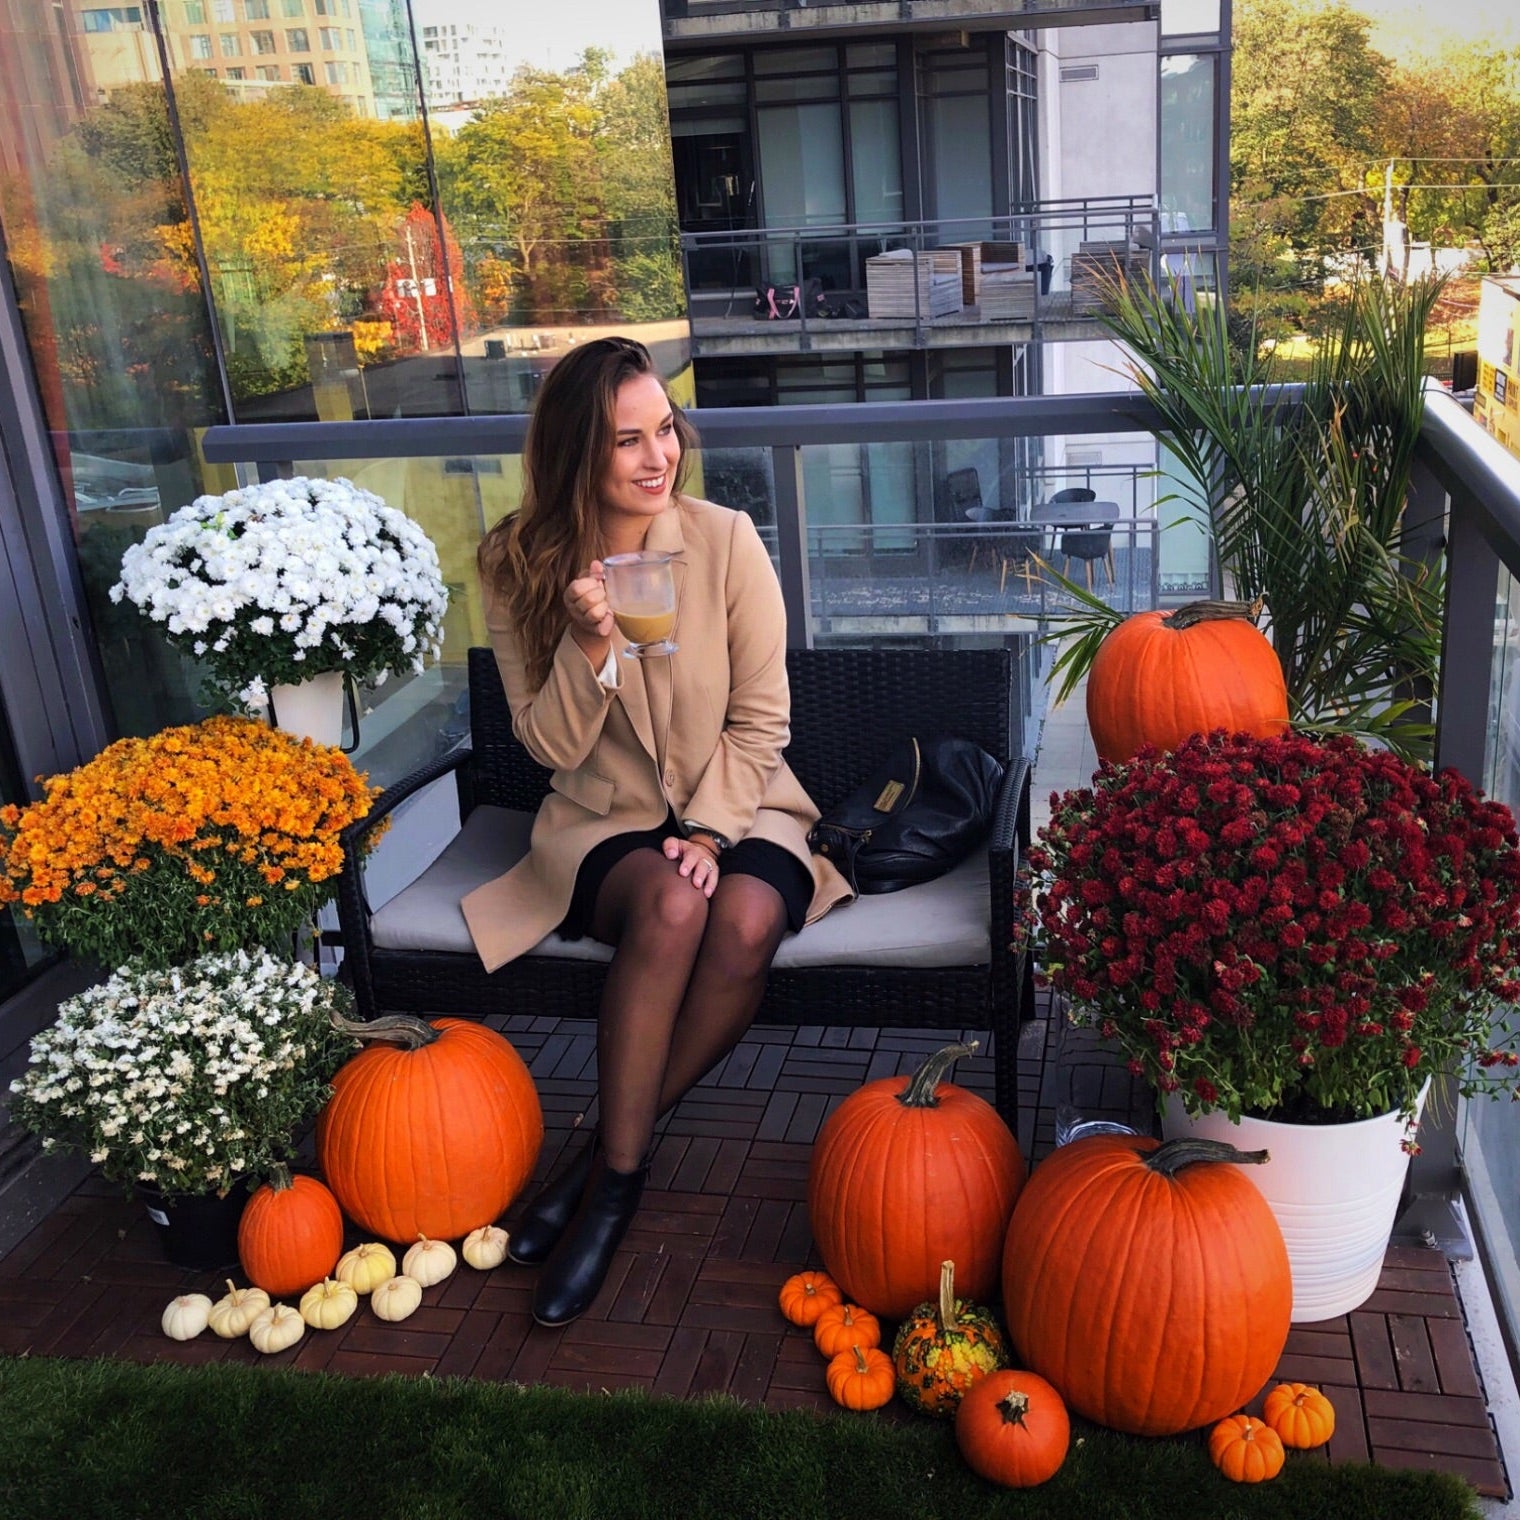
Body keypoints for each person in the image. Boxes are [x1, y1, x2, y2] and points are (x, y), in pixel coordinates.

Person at [463, 336, 851, 1327]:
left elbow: (763, 716)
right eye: (625, 440)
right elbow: (547, 748)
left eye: (664, 430)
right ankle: (621, 1185)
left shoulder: (721, 539)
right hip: (605, 815)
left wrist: (717, 832)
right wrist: (590, 645)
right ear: (573, 455)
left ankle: (597, 1163)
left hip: (742, 795)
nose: (655, 457)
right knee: (675, 904)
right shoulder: (515, 565)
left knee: (744, 917)